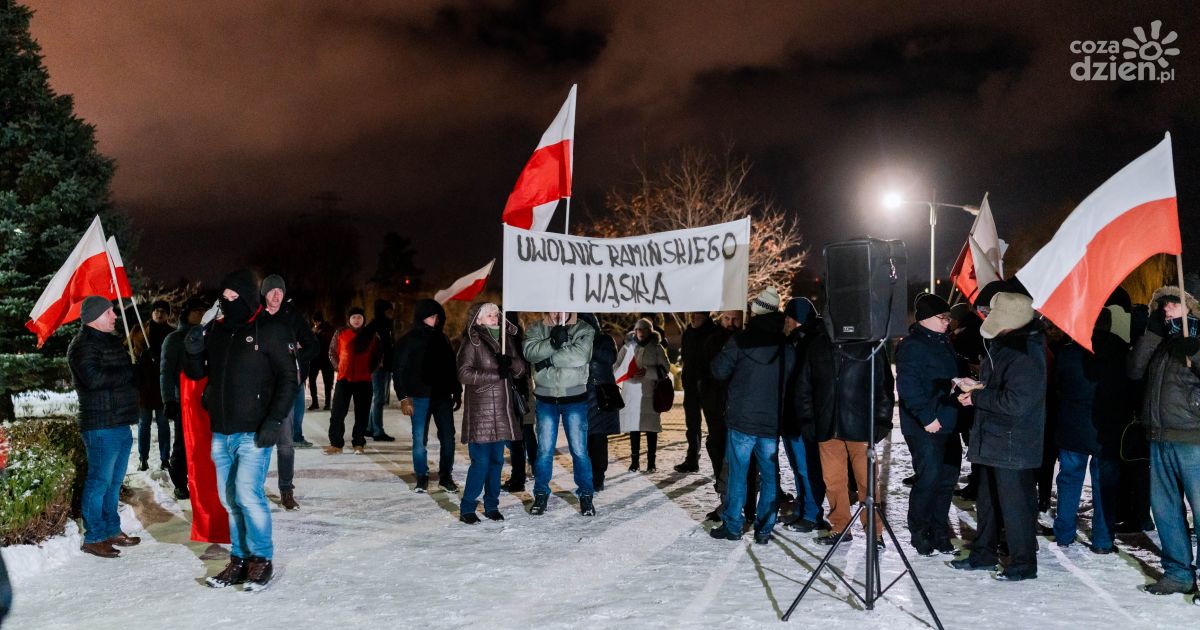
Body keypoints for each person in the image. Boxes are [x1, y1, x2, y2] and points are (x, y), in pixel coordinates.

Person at [183, 270, 297, 590]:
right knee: (229, 498)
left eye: (235, 297)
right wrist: (192, 351)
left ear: (248, 298)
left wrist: (274, 420)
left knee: (248, 495)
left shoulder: (271, 330)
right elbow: (197, 373)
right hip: (222, 432)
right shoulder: (218, 332)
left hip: (254, 432)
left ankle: (261, 559)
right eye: (225, 298)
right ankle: (240, 558)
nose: (229, 303)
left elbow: (289, 379)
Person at [951, 292, 1045, 581]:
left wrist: (978, 396)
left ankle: (1022, 564)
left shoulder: (1024, 353)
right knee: (989, 502)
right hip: (997, 440)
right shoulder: (1008, 347)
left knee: (1015, 508)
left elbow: (1017, 402)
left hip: (1012, 444)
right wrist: (979, 386)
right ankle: (984, 554)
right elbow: (1004, 390)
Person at [796, 296, 894, 549]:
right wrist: (808, 419)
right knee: (833, 482)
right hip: (827, 427)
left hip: (861, 428)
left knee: (867, 483)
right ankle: (840, 527)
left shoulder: (869, 345)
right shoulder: (817, 345)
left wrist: (882, 421)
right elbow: (804, 386)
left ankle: (875, 532)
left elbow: (884, 387)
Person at [1128, 282, 1200, 595]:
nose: (1165, 308)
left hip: (1193, 438)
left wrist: (1195, 350)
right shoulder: (1159, 341)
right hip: (1159, 436)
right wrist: (1152, 335)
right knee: (1165, 509)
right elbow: (1133, 371)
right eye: (1163, 304)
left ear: (1190, 308)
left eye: (1172, 303)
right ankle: (1178, 574)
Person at [709, 288, 792, 544]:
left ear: (755, 311)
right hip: (770, 421)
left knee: (738, 473)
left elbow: (719, 371)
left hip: (742, 419)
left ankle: (733, 525)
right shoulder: (785, 343)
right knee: (769, 476)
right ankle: (764, 529)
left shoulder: (740, 340)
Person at [67, 296, 142, 558]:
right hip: (100, 425)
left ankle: (111, 529)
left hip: (119, 422)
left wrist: (140, 369)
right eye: (110, 312)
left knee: (113, 483)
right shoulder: (82, 346)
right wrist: (132, 372)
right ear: (95, 316)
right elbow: (94, 379)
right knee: (99, 482)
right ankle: (94, 536)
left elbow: (119, 374)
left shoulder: (109, 342)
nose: (114, 316)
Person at [1051, 309, 1130, 554]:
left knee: (1069, 480)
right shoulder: (1122, 355)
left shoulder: (1068, 353)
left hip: (1072, 427)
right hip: (1107, 431)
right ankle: (1103, 540)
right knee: (1104, 485)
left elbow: (1056, 387)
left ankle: (1064, 533)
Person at [896, 294, 961, 556]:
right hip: (925, 426)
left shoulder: (945, 343)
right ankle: (920, 532)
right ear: (926, 319)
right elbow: (908, 386)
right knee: (929, 479)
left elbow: (945, 378)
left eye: (948, 317)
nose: (947, 322)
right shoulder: (912, 346)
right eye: (942, 317)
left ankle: (939, 531)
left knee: (947, 480)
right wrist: (926, 417)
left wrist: (960, 389)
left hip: (948, 420)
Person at [456, 303, 528, 523]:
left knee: (497, 461)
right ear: (478, 320)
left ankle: (491, 506)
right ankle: (468, 507)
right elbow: (463, 373)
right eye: (489, 315)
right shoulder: (473, 341)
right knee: (481, 462)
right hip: (482, 411)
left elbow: (521, 370)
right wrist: (497, 373)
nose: (495, 317)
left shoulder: (506, 340)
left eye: (496, 314)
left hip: (503, 411)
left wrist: (511, 363)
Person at [524, 312, 596, 516]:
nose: (557, 313)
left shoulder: (583, 328)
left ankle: (586, 494)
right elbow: (530, 353)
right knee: (544, 451)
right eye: (553, 308)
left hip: (575, 398)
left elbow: (580, 356)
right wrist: (554, 342)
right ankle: (540, 493)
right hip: (545, 398)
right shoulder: (536, 328)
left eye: (562, 308)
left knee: (579, 451)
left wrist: (547, 360)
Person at [260, 274, 320, 511]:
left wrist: (294, 357)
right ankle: (254, 487)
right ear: (264, 293)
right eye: (272, 291)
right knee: (259, 441)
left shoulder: (292, 316)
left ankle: (286, 490)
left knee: (285, 442)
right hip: (259, 386)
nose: (276, 295)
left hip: (286, 386)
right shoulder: (256, 316)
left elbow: (313, 346)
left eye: (280, 291)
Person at [393, 299, 462, 492]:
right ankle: (421, 475)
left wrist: (457, 390)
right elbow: (398, 370)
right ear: (422, 317)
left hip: (441, 396)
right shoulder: (408, 340)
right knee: (419, 439)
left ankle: (445, 476)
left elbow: (450, 366)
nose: (436, 320)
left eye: (437, 316)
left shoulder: (443, 338)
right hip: (418, 396)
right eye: (432, 316)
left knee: (448, 437)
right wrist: (403, 397)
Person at [779, 297, 826, 533]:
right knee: (800, 467)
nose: (784, 322)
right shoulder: (797, 341)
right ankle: (804, 507)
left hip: (801, 418)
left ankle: (811, 512)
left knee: (807, 468)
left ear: (794, 319)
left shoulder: (808, 343)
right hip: (793, 417)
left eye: (787, 318)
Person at [161, 297, 208, 500]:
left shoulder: (209, 335)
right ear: (186, 314)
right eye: (195, 311)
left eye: (202, 311)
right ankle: (180, 482)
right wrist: (169, 400)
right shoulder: (174, 339)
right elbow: (166, 372)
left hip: (207, 400)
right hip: (184, 401)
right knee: (182, 444)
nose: (199, 315)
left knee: (205, 443)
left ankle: (203, 479)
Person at [700, 309, 743, 521]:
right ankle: (724, 497)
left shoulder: (745, 340)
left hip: (741, 408)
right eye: (727, 318)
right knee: (717, 448)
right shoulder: (712, 341)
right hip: (716, 406)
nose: (731, 323)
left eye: (735, 319)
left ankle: (741, 504)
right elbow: (705, 372)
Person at [324, 306, 380, 455]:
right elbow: (332, 352)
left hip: (363, 380)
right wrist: (339, 367)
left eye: (359, 317)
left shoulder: (371, 335)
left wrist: (369, 369)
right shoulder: (340, 333)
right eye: (354, 317)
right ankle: (336, 443)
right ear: (349, 320)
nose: (356, 320)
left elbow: (377, 355)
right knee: (337, 413)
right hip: (344, 379)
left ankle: (359, 443)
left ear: (363, 320)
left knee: (362, 413)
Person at [616, 318, 670, 473]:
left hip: (650, 395)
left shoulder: (656, 348)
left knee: (651, 429)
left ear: (649, 331)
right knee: (634, 429)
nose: (641, 332)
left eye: (644, 329)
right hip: (631, 393)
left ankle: (651, 463)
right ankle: (634, 462)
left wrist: (648, 371)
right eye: (638, 329)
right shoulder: (627, 347)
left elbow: (666, 368)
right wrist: (626, 372)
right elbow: (617, 366)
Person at [580, 313, 620, 491]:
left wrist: (589, 341)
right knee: (583, 440)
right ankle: (586, 477)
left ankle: (598, 478)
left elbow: (609, 359)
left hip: (599, 397)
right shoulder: (575, 339)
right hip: (580, 395)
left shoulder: (603, 339)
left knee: (598, 440)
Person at [677, 312, 718, 473]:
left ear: (705, 316)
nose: (693, 318)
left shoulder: (713, 333)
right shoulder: (688, 332)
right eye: (692, 314)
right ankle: (692, 458)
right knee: (692, 424)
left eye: (697, 315)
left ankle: (718, 463)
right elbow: (687, 358)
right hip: (691, 385)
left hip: (709, 386)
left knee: (714, 425)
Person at [135, 299, 174, 471]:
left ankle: (165, 458)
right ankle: (143, 458)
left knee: (163, 423)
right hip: (144, 386)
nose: (159, 313)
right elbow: (128, 350)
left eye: (163, 311)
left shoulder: (172, 333)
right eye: (156, 310)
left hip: (163, 387)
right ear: (152, 312)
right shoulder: (139, 331)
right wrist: (142, 356)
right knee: (144, 424)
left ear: (168, 315)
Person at [501, 311, 537, 492]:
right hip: (524, 393)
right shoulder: (521, 341)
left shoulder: (508, 343)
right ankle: (524, 473)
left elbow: (521, 371)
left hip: (517, 395)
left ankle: (519, 477)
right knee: (523, 435)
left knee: (518, 438)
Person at [366, 299, 397, 441]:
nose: (391, 313)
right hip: (379, 366)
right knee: (379, 399)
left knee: (377, 398)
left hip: (382, 365)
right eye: (389, 310)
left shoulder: (378, 324)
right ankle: (377, 430)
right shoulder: (380, 325)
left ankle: (371, 427)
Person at [308, 312, 335, 410]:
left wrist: (315, 333)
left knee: (327, 382)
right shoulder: (315, 329)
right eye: (315, 321)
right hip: (317, 358)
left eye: (317, 321)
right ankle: (317, 402)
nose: (316, 323)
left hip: (324, 359)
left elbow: (327, 340)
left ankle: (326, 403)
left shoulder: (327, 329)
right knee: (313, 380)